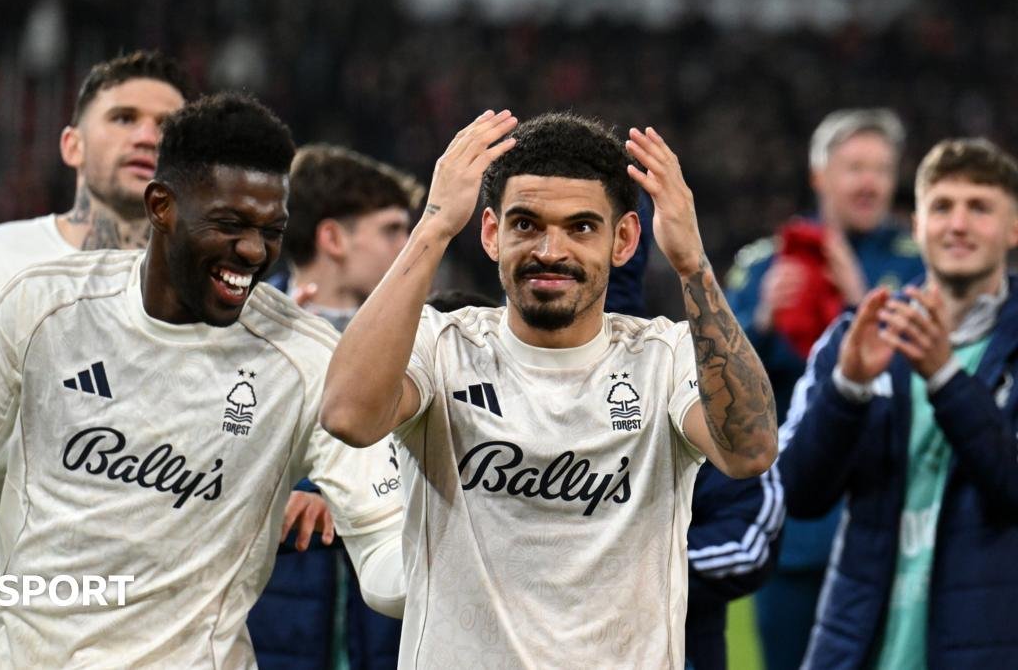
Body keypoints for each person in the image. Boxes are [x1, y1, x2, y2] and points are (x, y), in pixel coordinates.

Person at [0, 94, 404, 669]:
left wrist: (454, 565)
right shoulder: (43, 307)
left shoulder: (307, 360)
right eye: (230, 225)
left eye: (271, 230)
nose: (254, 251)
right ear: (161, 206)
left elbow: (382, 549)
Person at [320, 110, 778, 667]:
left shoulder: (665, 357)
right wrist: (434, 226)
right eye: (526, 224)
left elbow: (750, 451)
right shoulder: (441, 346)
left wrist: (692, 264)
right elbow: (347, 416)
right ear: (491, 232)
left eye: (581, 227)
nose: (550, 251)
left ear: (624, 239)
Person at [0, 49, 196, 670]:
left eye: (167, 127)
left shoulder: (209, 295)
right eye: (124, 118)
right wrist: (71, 430)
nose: (146, 136)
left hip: (145, 626)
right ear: (72, 145)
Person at [778, 137, 1018, 668]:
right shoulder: (858, 337)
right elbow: (796, 490)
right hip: (860, 650)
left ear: (1013, 229)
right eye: (942, 206)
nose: (958, 224)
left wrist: (946, 377)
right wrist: (848, 388)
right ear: (917, 225)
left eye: (980, 208)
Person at [724, 108, 925, 670]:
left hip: (890, 518)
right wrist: (762, 322)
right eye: (855, 167)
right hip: (795, 528)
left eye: (881, 169)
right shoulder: (763, 267)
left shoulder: (919, 265)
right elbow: (715, 385)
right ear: (819, 176)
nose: (870, 182)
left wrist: (861, 301)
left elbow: (931, 376)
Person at [249, 144, 423, 670]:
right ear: (333, 239)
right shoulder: (238, 335)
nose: (408, 246)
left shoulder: (425, 341)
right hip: (273, 626)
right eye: (391, 230)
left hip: (384, 632)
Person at [607, 192, 784, 670]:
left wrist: (616, 574)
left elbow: (747, 536)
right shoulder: (485, 362)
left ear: (625, 240)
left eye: (582, 227)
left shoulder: (677, 370)